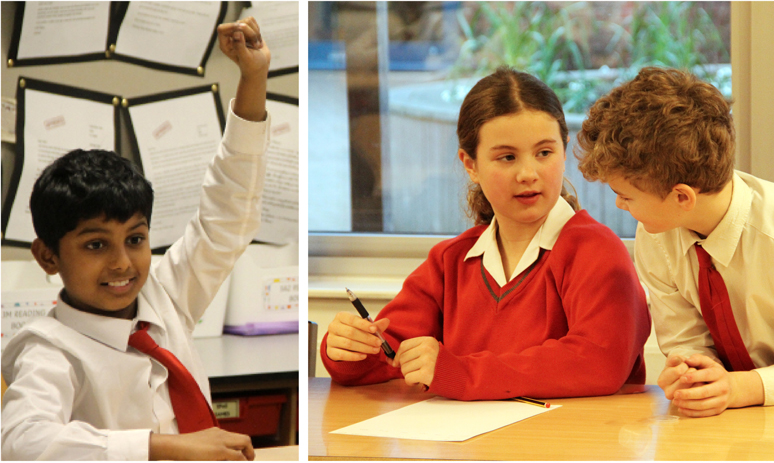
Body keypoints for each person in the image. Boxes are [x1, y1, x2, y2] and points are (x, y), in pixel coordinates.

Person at [1, 17, 271, 460]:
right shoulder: (49, 349)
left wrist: (254, 77)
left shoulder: (165, 297)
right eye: (95, 244)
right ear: (47, 256)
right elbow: (22, 443)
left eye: (135, 239)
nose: (122, 263)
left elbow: (229, 212)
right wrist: (165, 448)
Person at [322, 67, 651, 401]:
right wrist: (348, 349)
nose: (528, 173)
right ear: (470, 165)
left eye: (544, 153)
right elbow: (385, 357)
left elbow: (599, 363)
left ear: (564, 151)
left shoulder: (597, 251)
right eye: (507, 157)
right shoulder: (449, 262)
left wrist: (460, 373)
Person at [576, 66, 774, 417]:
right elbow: (685, 340)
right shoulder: (657, 235)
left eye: (626, 196)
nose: (619, 204)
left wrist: (741, 387)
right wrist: (690, 372)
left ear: (682, 197)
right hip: (730, 419)